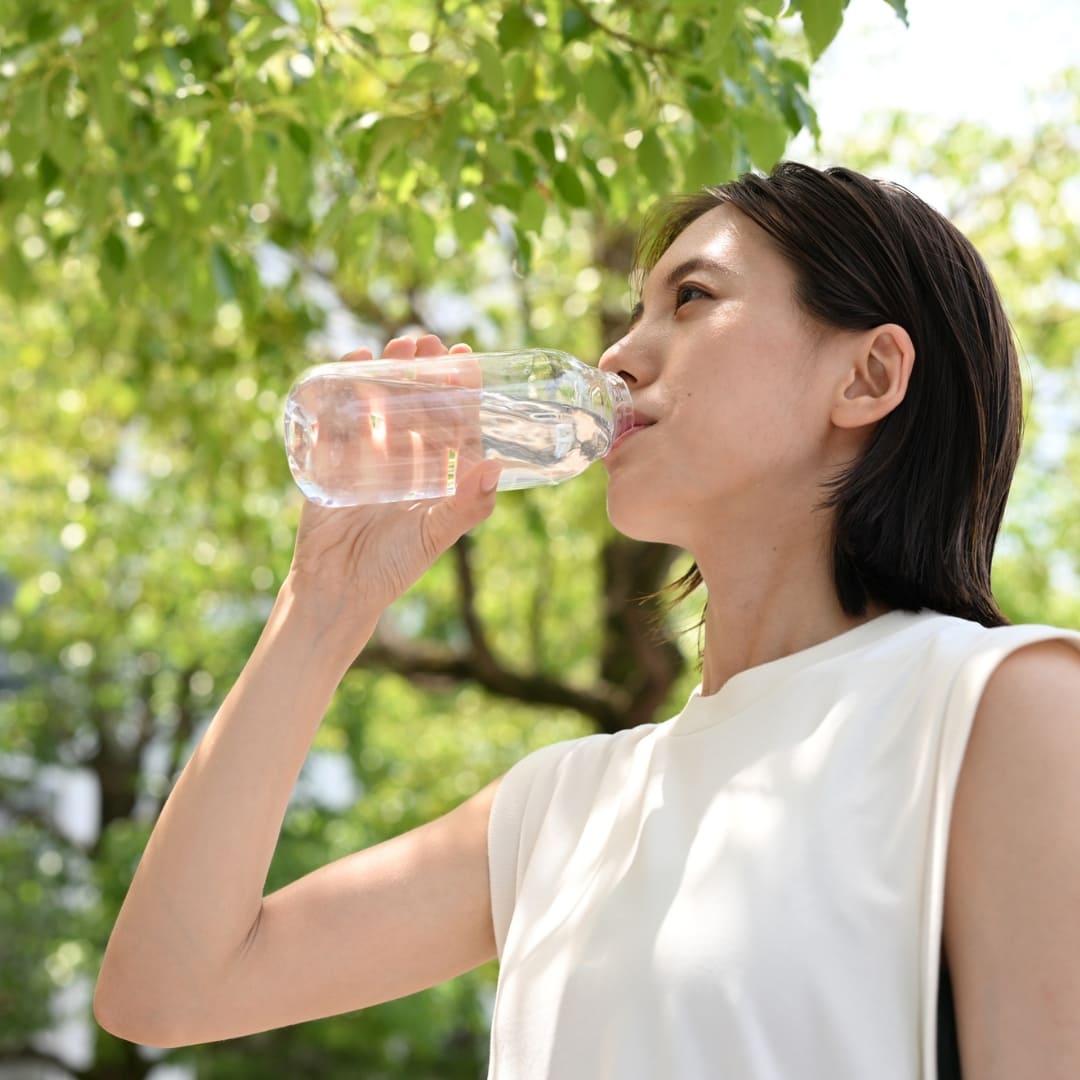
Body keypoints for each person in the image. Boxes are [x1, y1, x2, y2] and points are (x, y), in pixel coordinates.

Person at [94, 162, 1080, 1078]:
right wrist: (322, 610)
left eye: (691, 299)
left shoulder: (996, 707)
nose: (615, 353)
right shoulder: (560, 806)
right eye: (634, 310)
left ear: (867, 376)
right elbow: (167, 992)